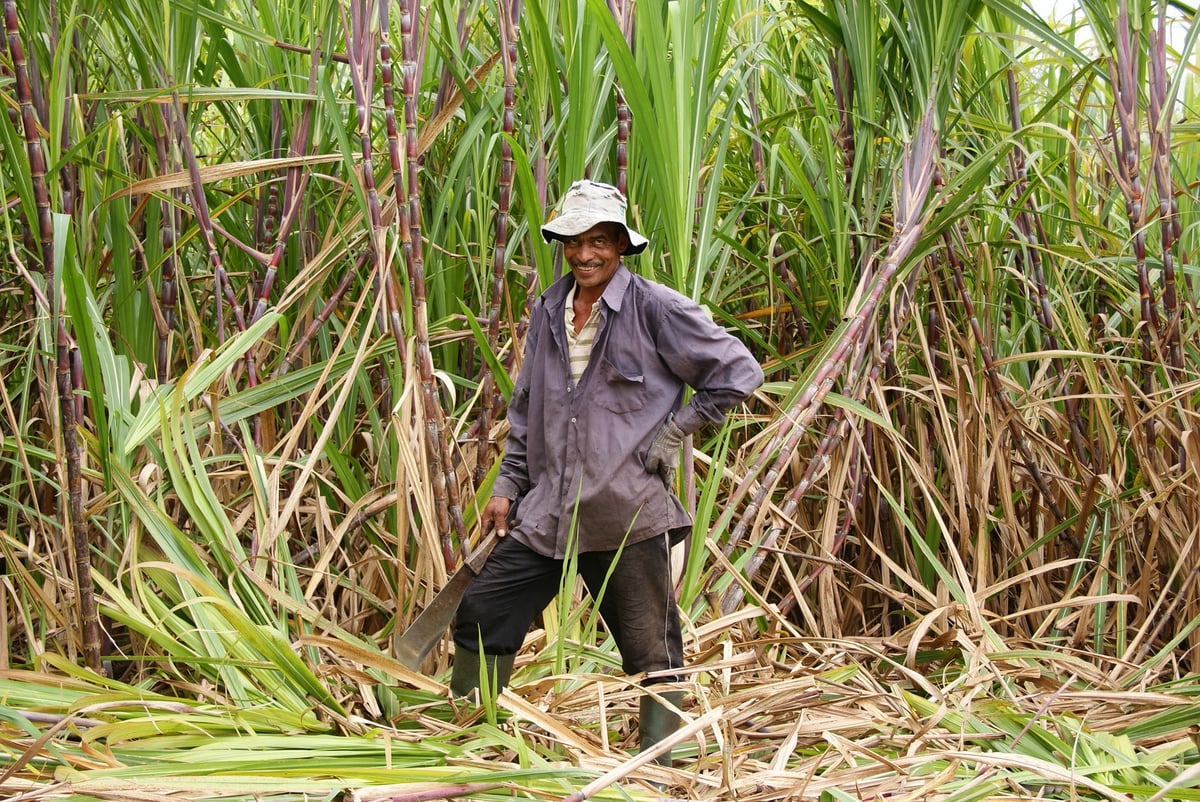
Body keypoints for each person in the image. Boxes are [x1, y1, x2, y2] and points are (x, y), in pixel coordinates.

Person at [451, 179, 763, 766]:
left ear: (620, 245)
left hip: (626, 510)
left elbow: (738, 371)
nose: (585, 253)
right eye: (574, 240)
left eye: (599, 240)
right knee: (483, 609)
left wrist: (674, 434)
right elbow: (527, 414)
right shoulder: (549, 309)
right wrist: (507, 486)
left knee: (652, 648)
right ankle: (472, 740)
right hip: (548, 508)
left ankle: (658, 766)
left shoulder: (657, 308)